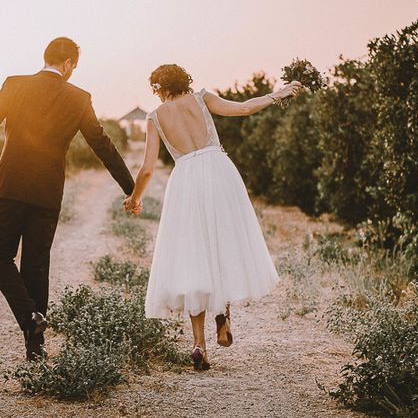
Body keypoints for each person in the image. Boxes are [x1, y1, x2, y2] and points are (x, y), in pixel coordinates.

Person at [0, 37, 134, 361]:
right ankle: (35, 350)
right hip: (48, 193)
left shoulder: (15, 85)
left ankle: (29, 319)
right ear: (67, 65)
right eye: (74, 67)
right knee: (36, 266)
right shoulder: (79, 98)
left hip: (10, 187)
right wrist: (130, 188)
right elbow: (103, 145)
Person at [123, 64, 302, 370]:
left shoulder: (155, 117)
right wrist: (278, 94)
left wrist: (135, 198)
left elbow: (148, 168)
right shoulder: (202, 98)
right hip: (219, 172)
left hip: (186, 182)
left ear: (158, 88)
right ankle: (223, 315)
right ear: (184, 81)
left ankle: (198, 345)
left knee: (195, 256)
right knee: (224, 243)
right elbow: (244, 109)